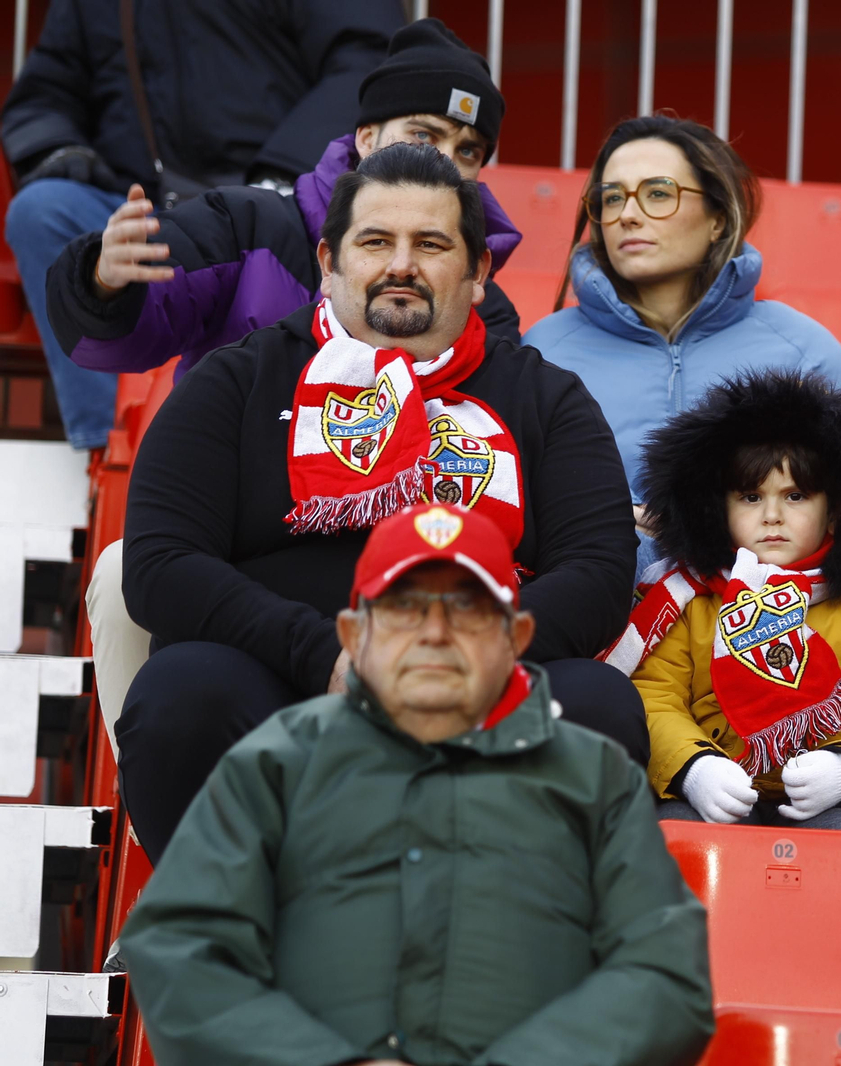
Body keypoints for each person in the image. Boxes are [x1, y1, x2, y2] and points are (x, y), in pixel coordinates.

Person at [113, 143, 639, 864]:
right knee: (184, 693)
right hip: (284, 676)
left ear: (479, 271)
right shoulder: (238, 381)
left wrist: (458, 659)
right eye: (375, 242)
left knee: (598, 707)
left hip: (482, 689)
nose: (401, 265)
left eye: (431, 244)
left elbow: (601, 572)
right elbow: (160, 565)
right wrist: (327, 652)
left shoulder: (547, 397)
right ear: (328, 263)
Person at [52, 17, 527, 746]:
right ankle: (160, 826)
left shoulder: (476, 299)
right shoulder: (253, 224)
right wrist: (103, 280)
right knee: (125, 575)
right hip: (226, 533)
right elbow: (136, 319)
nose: (450, 161)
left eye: (470, 151)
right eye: (425, 134)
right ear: (366, 136)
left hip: (386, 548)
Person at [118, 501, 714, 1066]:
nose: (434, 633)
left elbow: (666, 980)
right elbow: (180, 948)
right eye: (404, 607)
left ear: (517, 636)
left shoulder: (592, 780)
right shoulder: (273, 768)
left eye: (467, 607)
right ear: (353, 636)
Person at [2, 0, 402, 451]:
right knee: (43, 210)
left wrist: (283, 169)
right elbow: (48, 89)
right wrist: (60, 152)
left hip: (273, 202)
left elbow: (368, 62)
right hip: (137, 206)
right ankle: (109, 451)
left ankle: (279, 444)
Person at [522, 115, 841, 573]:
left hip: (771, 630)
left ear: (717, 218)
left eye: (657, 194)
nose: (627, 214)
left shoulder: (800, 347)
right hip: (594, 622)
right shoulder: (544, 351)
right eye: (610, 198)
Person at [606, 371, 841, 829]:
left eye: (795, 496)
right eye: (751, 497)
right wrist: (693, 769)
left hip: (831, 797)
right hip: (719, 785)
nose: (772, 515)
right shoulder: (686, 597)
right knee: (676, 834)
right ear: (719, 510)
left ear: (835, 511)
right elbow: (654, 699)